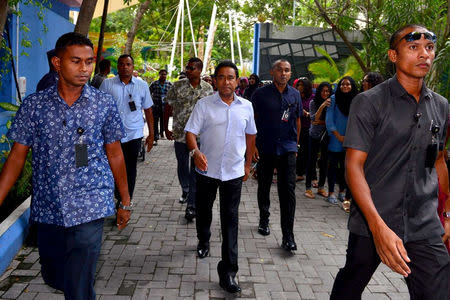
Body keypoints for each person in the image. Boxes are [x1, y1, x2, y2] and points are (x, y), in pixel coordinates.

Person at [0, 32, 131, 300]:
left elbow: (115, 152)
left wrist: (125, 199)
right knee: (55, 274)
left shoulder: (103, 103)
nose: (84, 69)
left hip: (90, 200)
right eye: (76, 61)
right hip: (49, 204)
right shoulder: (35, 106)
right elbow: (17, 156)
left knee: (80, 280)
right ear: (57, 64)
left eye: (89, 61)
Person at [330, 24, 449, 299]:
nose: (424, 55)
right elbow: (353, 166)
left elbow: (440, 159)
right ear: (393, 56)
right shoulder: (369, 102)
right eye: (413, 47)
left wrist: (448, 213)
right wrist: (377, 226)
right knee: (350, 285)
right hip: (373, 218)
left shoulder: (441, 106)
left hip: (423, 223)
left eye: (429, 48)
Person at [185, 60, 256, 293]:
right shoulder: (204, 105)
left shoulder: (246, 106)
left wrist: (247, 165)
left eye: (231, 77)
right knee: (204, 211)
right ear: (215, 80)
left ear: (237, 81)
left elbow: (250, 136)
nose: (227, 81)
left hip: (233, 173)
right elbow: (190, 133)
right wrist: (195, 153)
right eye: (222, 77)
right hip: (206, 171)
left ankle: (229, 271)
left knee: (230, 220)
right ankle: (203, 240)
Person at [251, 59, 302, 251]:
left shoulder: (295, 94)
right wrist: (253, 144)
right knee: (264, 185)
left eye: (287, 70)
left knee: (287, 191)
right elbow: (252, 121)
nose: (283, 73)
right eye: (279, 70)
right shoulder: (260, 94)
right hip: (265, 146)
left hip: (288, 148)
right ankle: (264, 219)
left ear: (290, 74)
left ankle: (288, 235)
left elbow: (297, 121)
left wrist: (296, 145)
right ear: (272, 72)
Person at [99, 54, 154, 202]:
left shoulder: (142, 85)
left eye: (128, 64)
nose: (125, 67)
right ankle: (118, 196)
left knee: (130, 169)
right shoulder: (107, 84)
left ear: (133, 67)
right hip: (112, 136)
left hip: (133, 134)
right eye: (121, 64)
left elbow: (148, 110)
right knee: (112, 168)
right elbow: (99, 110)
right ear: (117, 67)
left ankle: (125, 201)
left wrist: (151, 134)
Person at [165, 57, 213, 221]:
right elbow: (168, 106)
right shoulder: (177, 86)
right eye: (187, 67)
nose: (188, 70)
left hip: (200, 137)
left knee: (195, 170)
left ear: (199, 70)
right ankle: (185, 189)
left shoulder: (207, 88)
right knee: (182, 165)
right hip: (180, 134)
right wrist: (165, 127)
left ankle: (191, 204)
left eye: (192, 68)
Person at [325, 76, 357, 210]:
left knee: (346, 168)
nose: (345, 86)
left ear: (352, 86)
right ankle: (331, 192)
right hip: (335, 138)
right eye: (343, 84)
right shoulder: (333, 99)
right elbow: (329, 119)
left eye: (348, 84)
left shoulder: (356, 100)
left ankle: (342, 192)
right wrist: (338, 136)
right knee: (332, 166)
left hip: (350, 139)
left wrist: (349, 137)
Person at [304, 82, 332, 199]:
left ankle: (321, 187)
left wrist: (321, 122)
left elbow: (329, 121)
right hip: (314, 135)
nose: (325, 93)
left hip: (327, 135)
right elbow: (313, 118)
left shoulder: (332, 103)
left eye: (327, 91)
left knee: (324, 161)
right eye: (323, 91)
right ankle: (308, 188)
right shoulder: (313, 102)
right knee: (312, 160)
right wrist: (322, 106)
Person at [295, 77, 314, 182]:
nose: (299, 87)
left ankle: (303, 172)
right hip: (297, 127)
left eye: (302, 85)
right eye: (298, 85)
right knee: (298, 150)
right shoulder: (295, 96)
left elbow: (314, 114)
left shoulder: (312, 98)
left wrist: (306, 113)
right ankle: (299, 172)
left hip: (307, 127)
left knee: (305, 151)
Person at [150, 69, 173, 145]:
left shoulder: (169, 84)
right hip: (156, 106)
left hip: (165, 107)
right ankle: (155, 137)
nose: (163, 76)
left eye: (165, 74)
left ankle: (162, 133)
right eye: (162, 74)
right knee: (155, 121)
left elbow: (173, 94)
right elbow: (149, 92)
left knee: (164, 120)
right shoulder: (154, 83)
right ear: (159, 75)